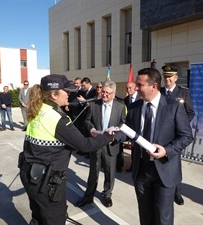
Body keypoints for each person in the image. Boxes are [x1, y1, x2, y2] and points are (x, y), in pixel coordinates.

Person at [18, 74, 114, 225]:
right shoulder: (57, 119)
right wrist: (107, 137)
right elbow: (85, 145)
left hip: (30, 175)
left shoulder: (37, 109)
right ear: (54, 95)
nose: (70, 94)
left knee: (38, 217)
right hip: (46, 183)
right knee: (54, 219)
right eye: (66, 91)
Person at [114, 67, 193, 225]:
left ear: (154, 86)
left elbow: (186, 136)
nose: (136, 88)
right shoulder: (135, 107)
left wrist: (167, 150)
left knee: (163, 218)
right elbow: (128, 132)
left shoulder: (174, 106)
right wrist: (113, 137)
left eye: (140, 85)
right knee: (145, 215)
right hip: (141, 170)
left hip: (164, 170)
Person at [75, 80, 126, 208]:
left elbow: (123, 124)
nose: (104, 95)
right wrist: (91, 129)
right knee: (93, 172)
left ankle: (107, 194)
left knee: (110, 172)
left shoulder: (120, 106)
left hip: (111, 144)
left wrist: (116, 130)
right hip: (96, 143)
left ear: (113, 94)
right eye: (102, 92)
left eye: (107, 93)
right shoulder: (94, 105)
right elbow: (87, 121)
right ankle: (88, 196)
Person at [160, 65, 195, 206]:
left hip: (176, 135)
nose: (167, 79)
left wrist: (180, 126)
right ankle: (163, 187)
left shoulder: (183, 93)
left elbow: (190, 112)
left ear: (175, 78)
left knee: (174, 164)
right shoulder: (159, 92)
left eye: (170, 76)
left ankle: (177, 192)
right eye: (165, 76)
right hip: (161, 134)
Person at [122, 81, 139, 172]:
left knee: (138, 148)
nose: (128, 90)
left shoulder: (141, 98)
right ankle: (133, 166)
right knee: (133, 148)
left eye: (130, 88)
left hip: (139, 127)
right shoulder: (126, 99)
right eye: (127, 88)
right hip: (130, 127)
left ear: (136, 88)